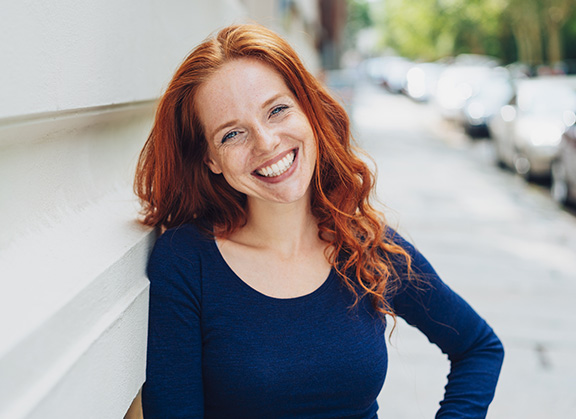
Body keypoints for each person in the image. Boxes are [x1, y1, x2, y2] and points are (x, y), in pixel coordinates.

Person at [134, 24, 504, 418]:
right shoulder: (187, 262)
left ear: (308, 110)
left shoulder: (366, 247)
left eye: (277, 110)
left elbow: (478, 348)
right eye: (232, 134)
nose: (266, 142)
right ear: (210, 160)